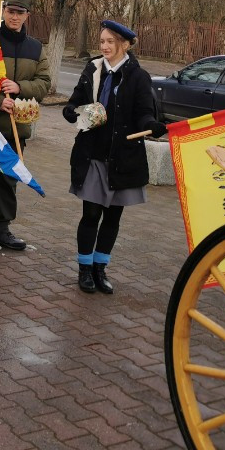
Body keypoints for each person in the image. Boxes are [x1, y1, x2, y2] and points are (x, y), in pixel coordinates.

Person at [62, 20, 166, 295]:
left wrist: (151, 124)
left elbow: (145, 112)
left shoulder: (138, 76)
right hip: (93, 155)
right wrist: (74, 112)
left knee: (112, 217)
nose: (105, 47)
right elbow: (73, 103)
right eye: (102, 42)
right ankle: (84, 269)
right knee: (91, 213)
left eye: (110, 42)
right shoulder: (92, 70)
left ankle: (100, 268)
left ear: (125, 45)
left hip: (123, 158)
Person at [0, 0, 51, 250]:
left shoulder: (35, 48)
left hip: (15, 129)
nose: (14, 16)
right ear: (3, 12)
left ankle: (2, 229)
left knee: (8, 179)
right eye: (10, 11)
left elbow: (45, 84)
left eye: (20, 12)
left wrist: (20, 87)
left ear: (27, 16)